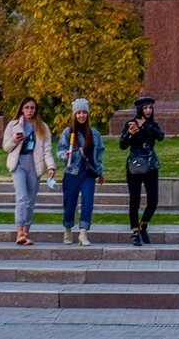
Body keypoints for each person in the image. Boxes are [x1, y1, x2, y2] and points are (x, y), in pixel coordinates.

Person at [2, 96, 55, 245]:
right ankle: (19, 231)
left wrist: (51, 166)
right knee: (22, 197)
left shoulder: (42, 127)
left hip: (34, 164)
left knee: (30, 200)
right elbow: (5, 147)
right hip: (18, 163)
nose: (29, 110)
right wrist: (15, 140)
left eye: (32, 108)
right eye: (26, 108)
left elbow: (47, 150)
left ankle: (26, 232)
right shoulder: (13, 125)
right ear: (22, 109)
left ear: (35, 110)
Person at [56, 97, 104, 246]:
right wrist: (66, 155)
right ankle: (68, 229)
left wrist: (100, 172)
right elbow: (59, 151)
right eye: (79, 113)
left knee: (88, 202)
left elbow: (99, 154)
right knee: (70, 203)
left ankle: (83, 233)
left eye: (84, 112)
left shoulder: (94, 133)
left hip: (88, 173)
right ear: (74, 115)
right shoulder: (68, 132)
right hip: (72, 173)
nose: (82, 116)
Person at [120, 95, 164, 247]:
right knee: (135, 199)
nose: (148, 110)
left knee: (153, 199)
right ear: (139, 109)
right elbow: (122, 145)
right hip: (135, 163)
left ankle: (143, 225)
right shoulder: (130, 124)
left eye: (150, 108)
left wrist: (145, 125)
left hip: (150, 164)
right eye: (145, 108)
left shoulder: (151, 124)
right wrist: (129, 134)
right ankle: (135, 230)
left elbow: (160, 136)